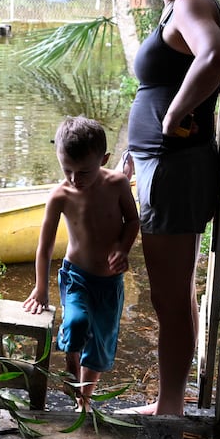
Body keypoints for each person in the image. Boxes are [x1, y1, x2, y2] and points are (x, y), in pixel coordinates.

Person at [119, 0, 220, 417]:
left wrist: (169, 117)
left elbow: (214, 56)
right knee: (176, 289)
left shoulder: (189, 2)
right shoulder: (176, 1)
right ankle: (171, 403)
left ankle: (168, 408)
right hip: (160, 165)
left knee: (168, 296)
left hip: (173, 167)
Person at [23, 116, 140, 410]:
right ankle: (71, 366)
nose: (75, 179)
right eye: (67, 170)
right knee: (75, 324)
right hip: (76, 277)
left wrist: (122, 248)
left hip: (109, 282)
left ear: (104, 159)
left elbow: (133, 220)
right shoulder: (60, 195)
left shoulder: (117, 183)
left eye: (84, 171)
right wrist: (41, 288)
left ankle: (83, 398)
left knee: (100, 344)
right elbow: (45, 245)